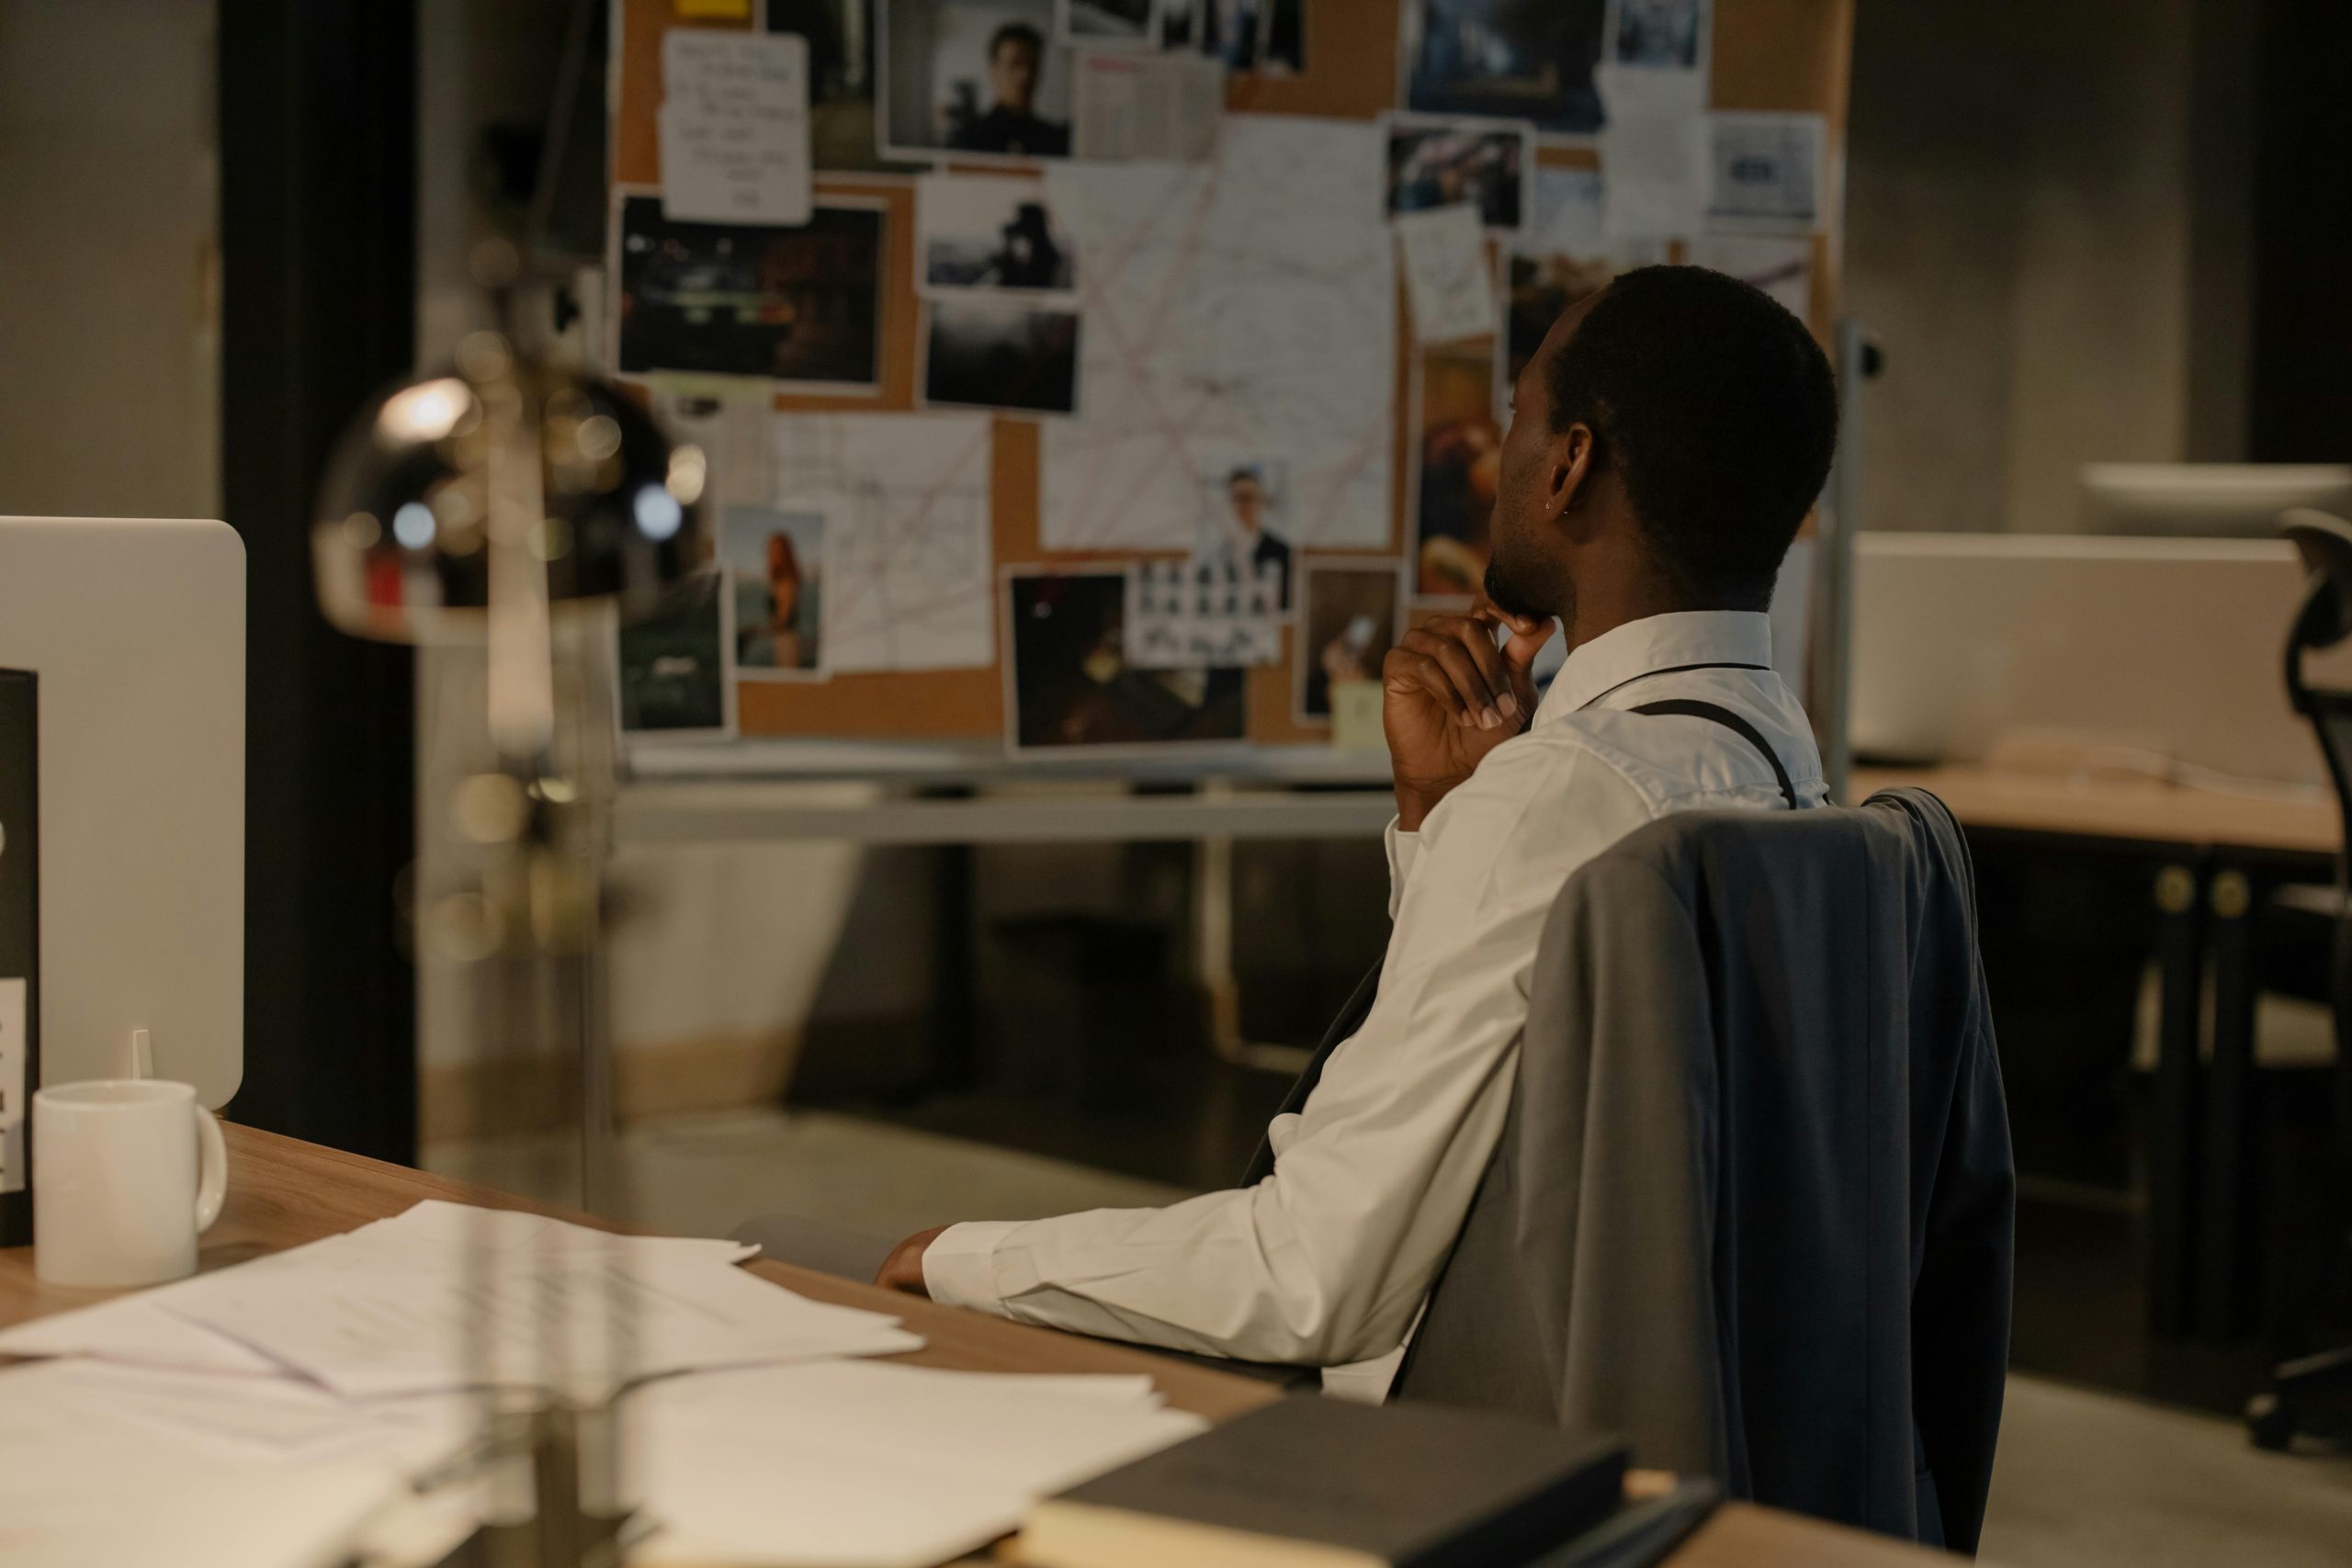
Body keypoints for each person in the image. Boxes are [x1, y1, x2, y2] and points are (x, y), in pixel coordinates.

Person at [874, 265, 1840, 1400]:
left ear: (1570, 466)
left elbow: (1308, 1274)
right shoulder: (1775, 752)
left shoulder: (1565, 794)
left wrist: (960, 1259)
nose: (1503, 448)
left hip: (1461, 1443)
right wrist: (1439, 819)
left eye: (1520, 415)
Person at [946, 22, 1069, 157]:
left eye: (1032, 66)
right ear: (993, 69)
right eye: (1014, 64)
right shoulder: (967, 140)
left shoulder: (1055, 141)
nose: (1024, 76)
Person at [1222, 465, 1291, 608]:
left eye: (1248, 498)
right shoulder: (1221, 551)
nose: (1243, 505)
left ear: (1260, 500)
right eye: (1237, 498)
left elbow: (1286, 603)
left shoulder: (1281, 551)